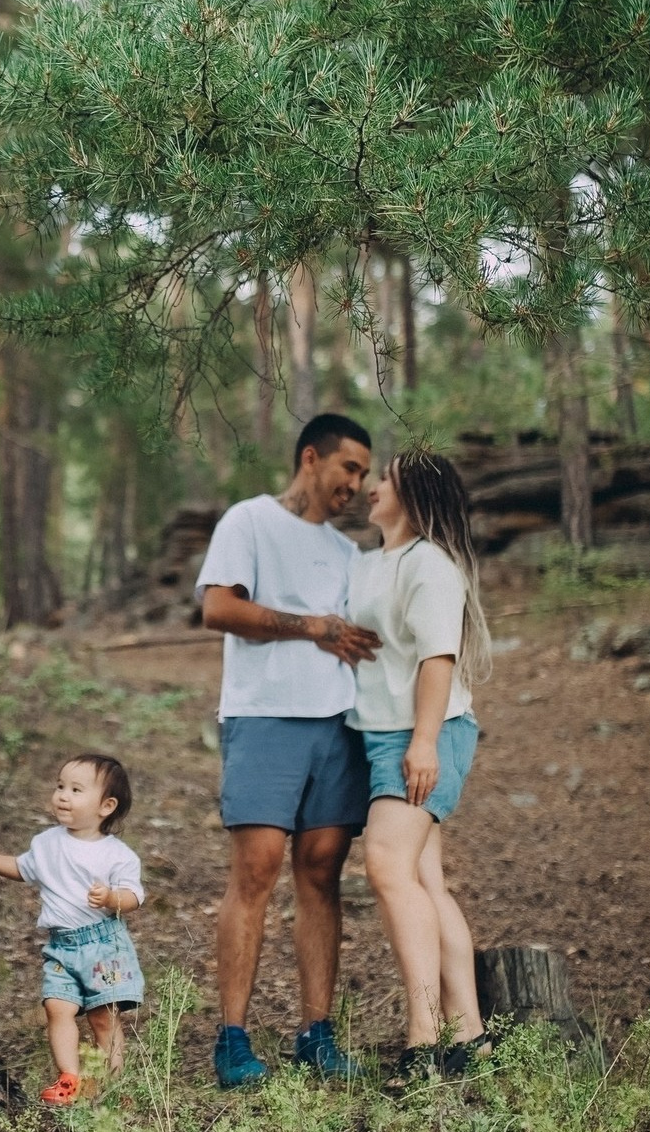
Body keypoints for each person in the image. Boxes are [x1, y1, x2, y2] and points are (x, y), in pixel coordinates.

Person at [196, 413, 381, 1087]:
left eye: (363, 474)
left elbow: (365, 634)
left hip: (339, 724)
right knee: (257, 870)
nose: (356, 485)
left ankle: (316, 1032)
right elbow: (218, 608)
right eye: (349, 468)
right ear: (312, 458)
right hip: (263, 716)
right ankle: (233, 1039)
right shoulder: (248, 521)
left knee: (322, 871)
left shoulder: (348, 553)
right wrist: (313, 626)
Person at [346, 449, 493, 1080]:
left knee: (386, 867)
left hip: (424, 734)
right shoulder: (374, 561)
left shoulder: (431, 565)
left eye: (385, 479)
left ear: (415, 496)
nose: (372, 487)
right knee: (424, 882)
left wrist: (424, 743)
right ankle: (471, 1036)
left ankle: (423, 1039)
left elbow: (439, 658)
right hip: (382, 735)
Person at [0, 754, 145, 1106]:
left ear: (106, 806)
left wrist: (112, 897)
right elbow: (21, 868)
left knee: (103, 1017)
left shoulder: (116, 854)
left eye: (76, 790)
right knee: (57, 1007)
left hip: (104, 944)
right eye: (60, 786)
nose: (63, 796)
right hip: (61, 947)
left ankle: (112, 1084)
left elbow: (134, 895)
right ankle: (68, 1078)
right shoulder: (46, 843)